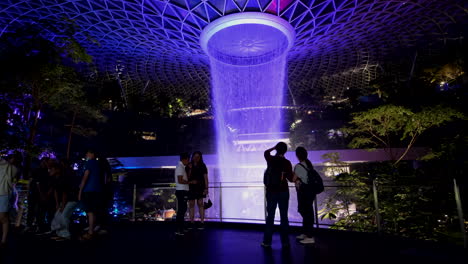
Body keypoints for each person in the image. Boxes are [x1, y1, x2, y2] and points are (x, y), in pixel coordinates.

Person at [262, 142, 295, 249]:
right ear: (285, 151)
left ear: (276, 149)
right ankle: (285, 242)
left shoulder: (271, 159)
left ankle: (267, 242)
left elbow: (266, 152)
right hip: (283, 191)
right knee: (284, 216)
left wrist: (274, 147)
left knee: (270, 216)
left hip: (271, 191)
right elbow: (290, 179)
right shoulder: (287, 163)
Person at [51, 160, 79, 241]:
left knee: (64, 216)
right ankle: (60, 234)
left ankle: (65, 235)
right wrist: (57, 204)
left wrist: (63, 205)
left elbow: (65, 193)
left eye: (52, 169)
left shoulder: (63, 179)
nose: (50, 171)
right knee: (57, 216)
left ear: (57, 170)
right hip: (64, 200)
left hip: (71, 200)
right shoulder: (55, 179)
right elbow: (56, 191)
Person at [294, 147, 316, 244]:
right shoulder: (309, 164)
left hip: (303, 193)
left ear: (297, 155)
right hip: (310, 192)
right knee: (307, 212)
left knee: (305, 213)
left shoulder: (299, 166)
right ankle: (306, 233)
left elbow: (294, 178)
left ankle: (309, 236)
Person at [79, 150, 102, 240]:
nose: (86, 154)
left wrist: (80, 191)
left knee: (90, 211)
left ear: (92, 154)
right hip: (97, 189)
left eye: (87, 153)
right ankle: (92, 229)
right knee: (93, 211)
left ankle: (90, 232)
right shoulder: (98, 163)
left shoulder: (90, 162)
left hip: (89, 189)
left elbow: (85, 177)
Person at [0, 154, 20, 248]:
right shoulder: (3, 165)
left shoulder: (13, 169)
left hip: (4, 194)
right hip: (4, 193)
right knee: (3, 217)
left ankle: (4, 240)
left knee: (3, 217)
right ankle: (4, 239)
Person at [174, 152, 196, 236]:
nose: (189, 161)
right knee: (181, 211)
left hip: (182, 191)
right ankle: (179, 229)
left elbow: (183, 178)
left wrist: (189, 169)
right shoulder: (180, 167)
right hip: (181, 191)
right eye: (188, 160)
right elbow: (180, 180)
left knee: (182, 210)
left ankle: (181, 228)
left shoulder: (182, 167)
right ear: (184, 159)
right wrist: (191, 182)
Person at [25, 157, 49, 233]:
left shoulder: (47, 171)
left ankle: (38, 226)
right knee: (32, 209)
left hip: (40, 193)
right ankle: (29, 225)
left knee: (40, 210)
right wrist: (28, 192)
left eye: (46, 162)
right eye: (43, 162)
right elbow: (32, 181)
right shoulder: (37, 170)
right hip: (35, 193)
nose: (44, 163)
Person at [187, 151, 208, 230]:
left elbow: (205, 177)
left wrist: (206, 188)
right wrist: (190, 168)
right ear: (192, 157)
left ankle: (202, 222)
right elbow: (187, 177)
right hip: (191, 187)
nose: (196, 158)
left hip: (200, 187)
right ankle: (191, 222)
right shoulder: (189, 165)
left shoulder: (203, 165)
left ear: (200, 157)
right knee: (191, 204)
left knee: (200, 204)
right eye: (195, 156)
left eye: (198, 157)